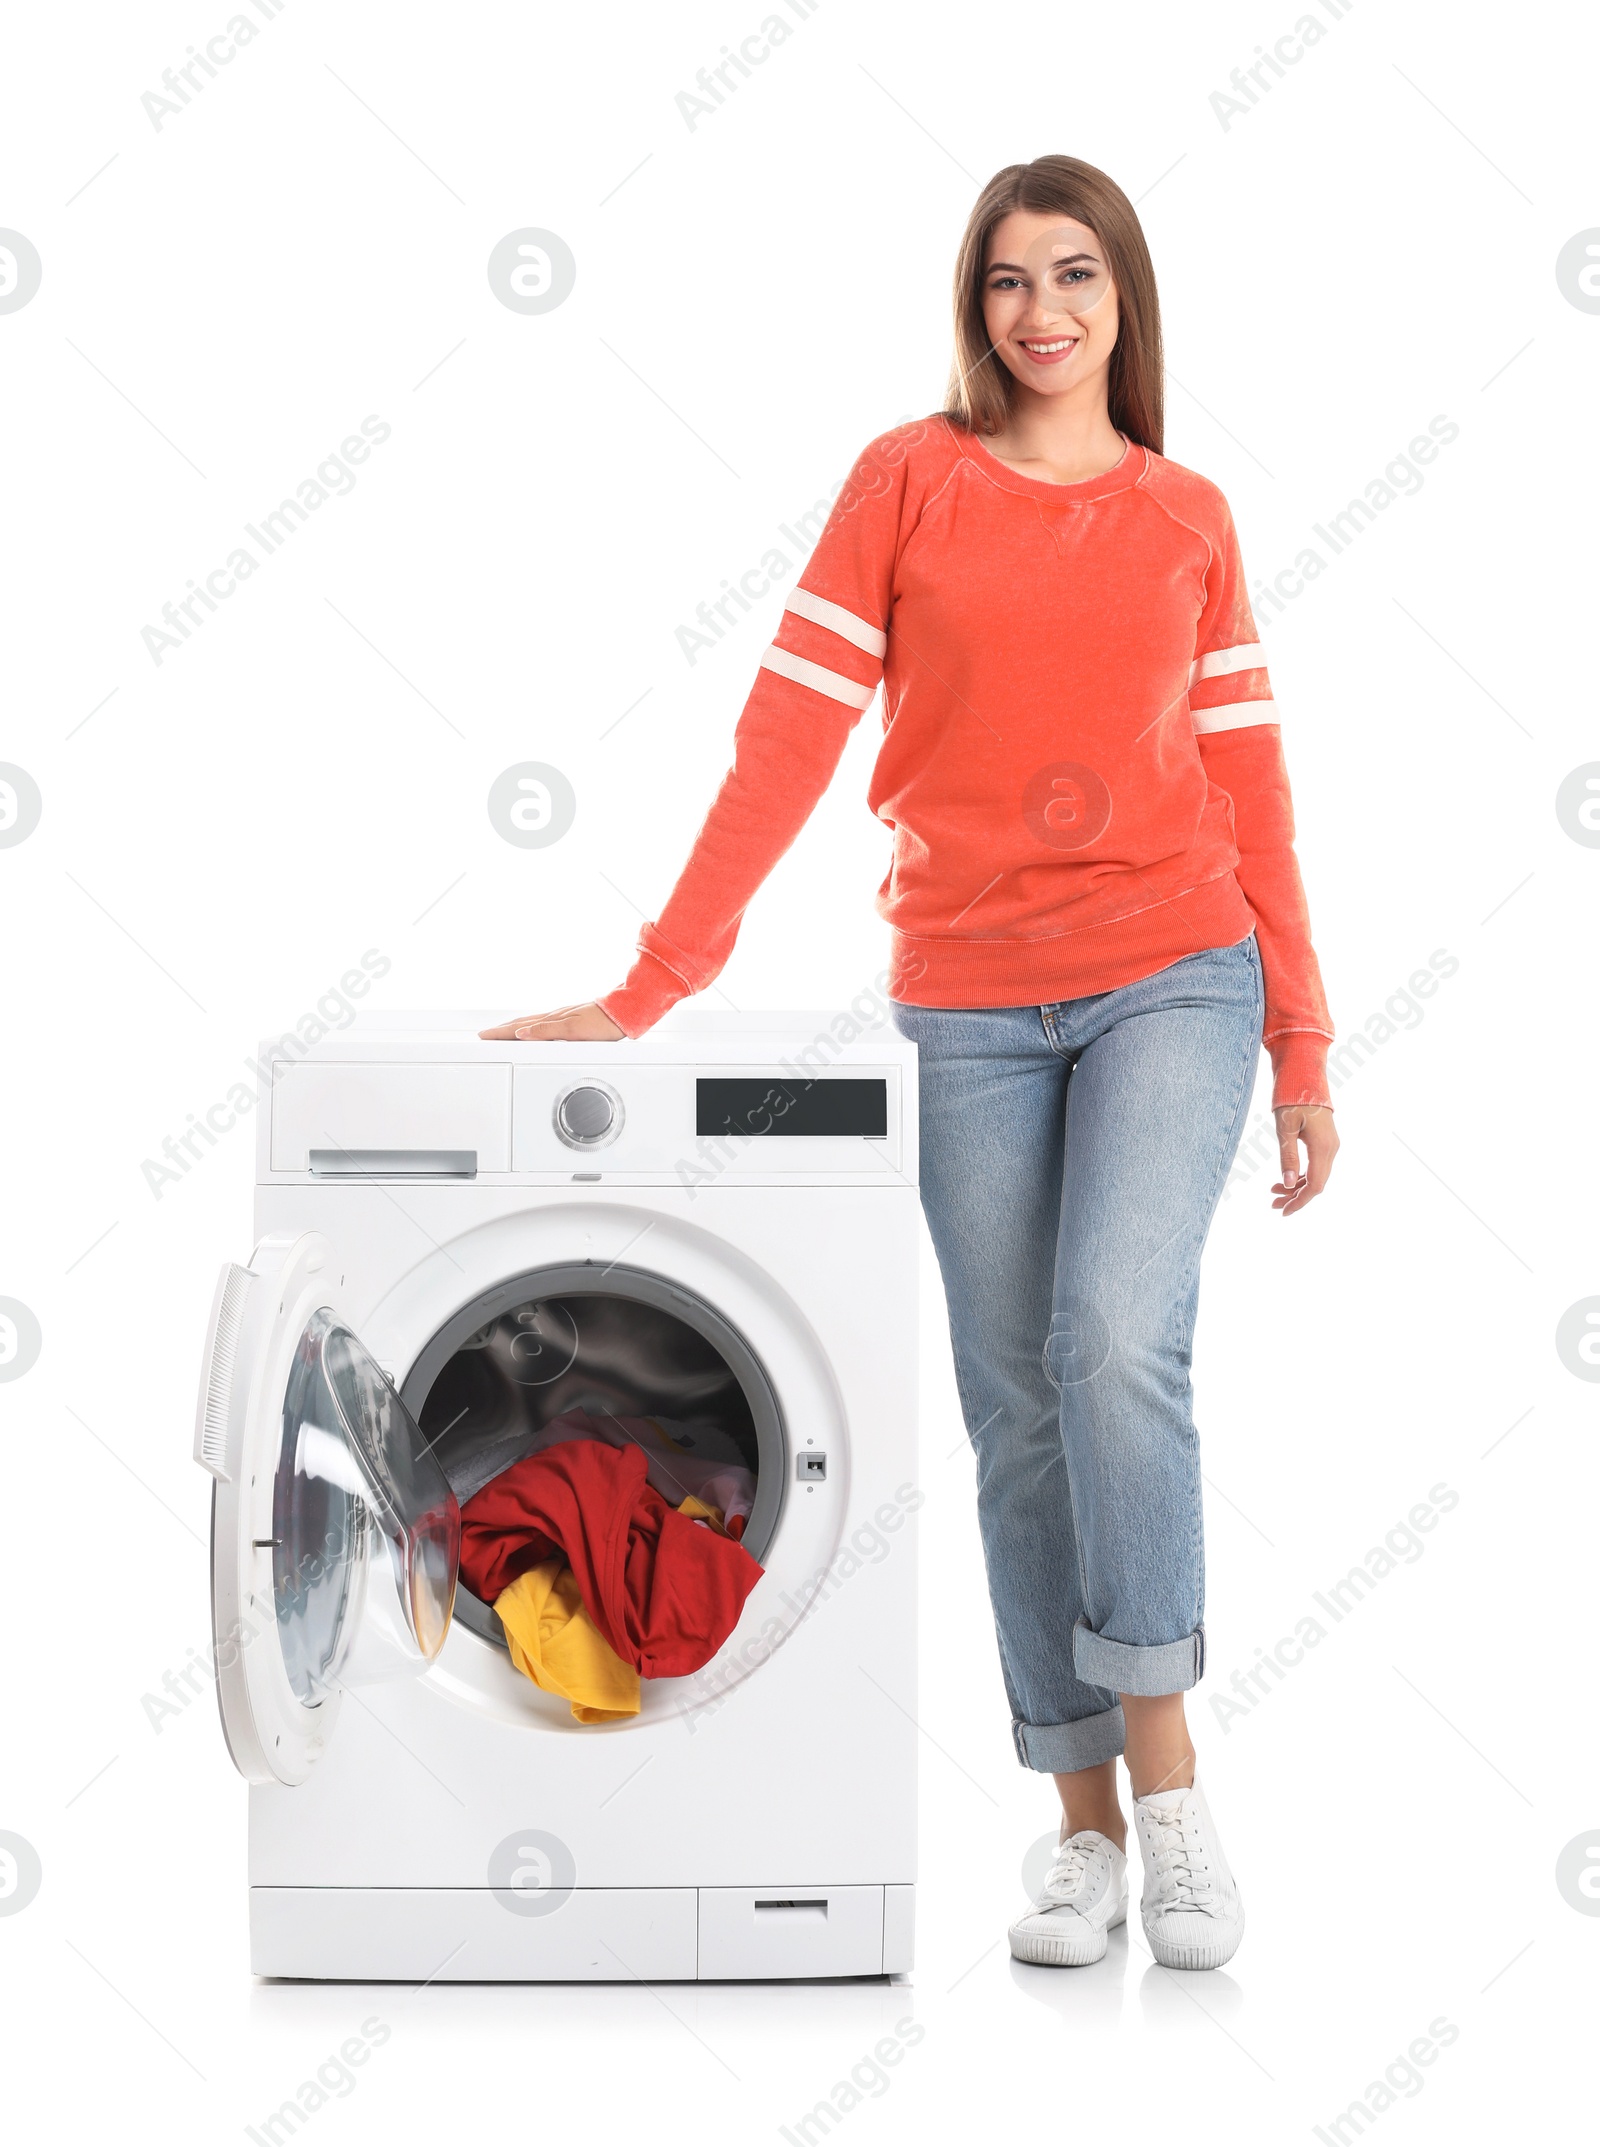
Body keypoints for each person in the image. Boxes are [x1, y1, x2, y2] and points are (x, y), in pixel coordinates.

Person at [483, 154, 1338, 1973]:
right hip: (963, 1001)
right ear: (977, 307)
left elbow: (1255, 790)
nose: (1044, 314)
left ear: (1127, 304)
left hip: (1174, 973)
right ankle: (1081, 1828)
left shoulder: (1188, 517)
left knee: (1114, 1340)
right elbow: (786, 733)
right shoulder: (909, 483)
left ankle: (1175, 1796)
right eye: (1011, 282)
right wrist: (655, 981)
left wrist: (1303, 1032)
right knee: (1016, 1409)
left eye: (1079, 278)